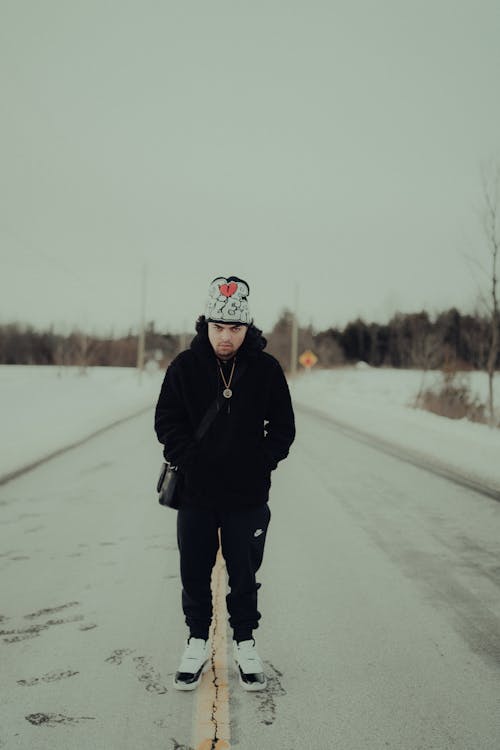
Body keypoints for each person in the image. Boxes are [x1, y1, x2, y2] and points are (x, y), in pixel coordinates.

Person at [154, 275, 295, 691]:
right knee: (194, 572)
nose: (226, 336)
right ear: (206, 325)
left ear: (247, 328)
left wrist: (262, 463)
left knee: (244, 572)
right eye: (218, 327)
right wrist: (190, 460)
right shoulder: (185, 367)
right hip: (196, 495)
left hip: (247, 496)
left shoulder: (266, 370)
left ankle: (246, 643)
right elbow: (167, 420)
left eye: (234, 328)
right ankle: (197, 641)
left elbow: (284, 427)